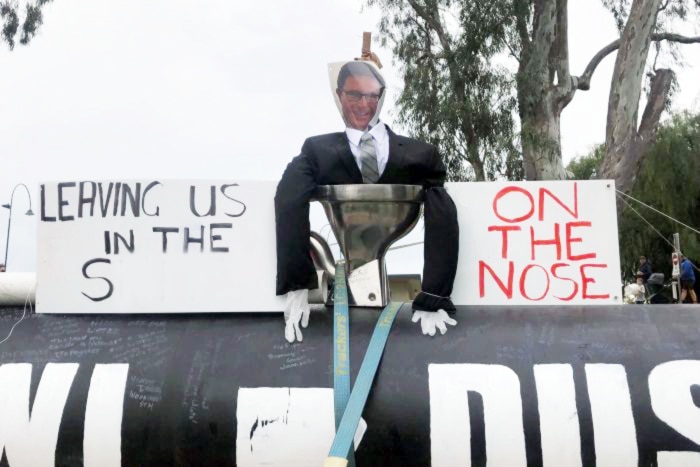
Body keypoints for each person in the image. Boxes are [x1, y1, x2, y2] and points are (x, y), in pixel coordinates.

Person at [275, 59, 459, 343]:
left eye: (371, 95)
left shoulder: (421, 154)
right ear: (339, 96)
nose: (363, 104)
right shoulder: (318, 150)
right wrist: (298, 281)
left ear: (381, 97)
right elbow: (288, 198)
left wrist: (434, 295)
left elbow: (442, 214)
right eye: (354, 95)